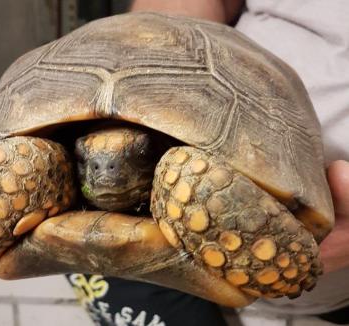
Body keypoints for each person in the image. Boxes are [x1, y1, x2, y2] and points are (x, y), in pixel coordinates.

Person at [69, 1, 349, 325]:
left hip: (327, 301)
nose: (107, 170)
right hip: (174, 289)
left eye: (141, 155)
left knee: (188, 172)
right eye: (83, 159)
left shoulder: (183, 174)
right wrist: (153, 42)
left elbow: (189, 177)